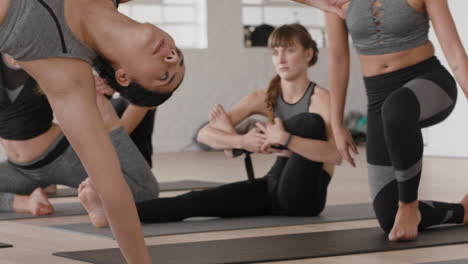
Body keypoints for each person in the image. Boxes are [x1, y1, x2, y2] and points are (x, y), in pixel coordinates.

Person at [79, 24, 341, 225]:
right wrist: (240, 141)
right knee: (196, 201)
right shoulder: (262, 98)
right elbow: (204, 134)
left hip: (303, 199)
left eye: (290, 50)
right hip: (272, 186)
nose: (281, 58)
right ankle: (113, 214)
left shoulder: (322, 100)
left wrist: (286, 140)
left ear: (308, 54)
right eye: (275, 52)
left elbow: (334, 155)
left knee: (308, 122)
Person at [0, 0, 185, 262]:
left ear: (123, 77)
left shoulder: (68, 76)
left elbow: (113, 190)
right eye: (178, 57)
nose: (172, 58)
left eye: (165, 75)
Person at [314, 0, 468, 241]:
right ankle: (462, 211)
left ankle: (409, 204)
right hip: (378, 98)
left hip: (430, 84)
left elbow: (455, 53)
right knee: (388, 217)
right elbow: (338, 58)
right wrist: (337, 123)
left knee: (396, 109)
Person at [0, 54, 159, 228]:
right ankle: (27, 202)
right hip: (20, 169)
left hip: (63, 157)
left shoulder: (47, 58)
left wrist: (109, 86)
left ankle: (94, 200)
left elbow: (87, 83)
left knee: (145, 193)